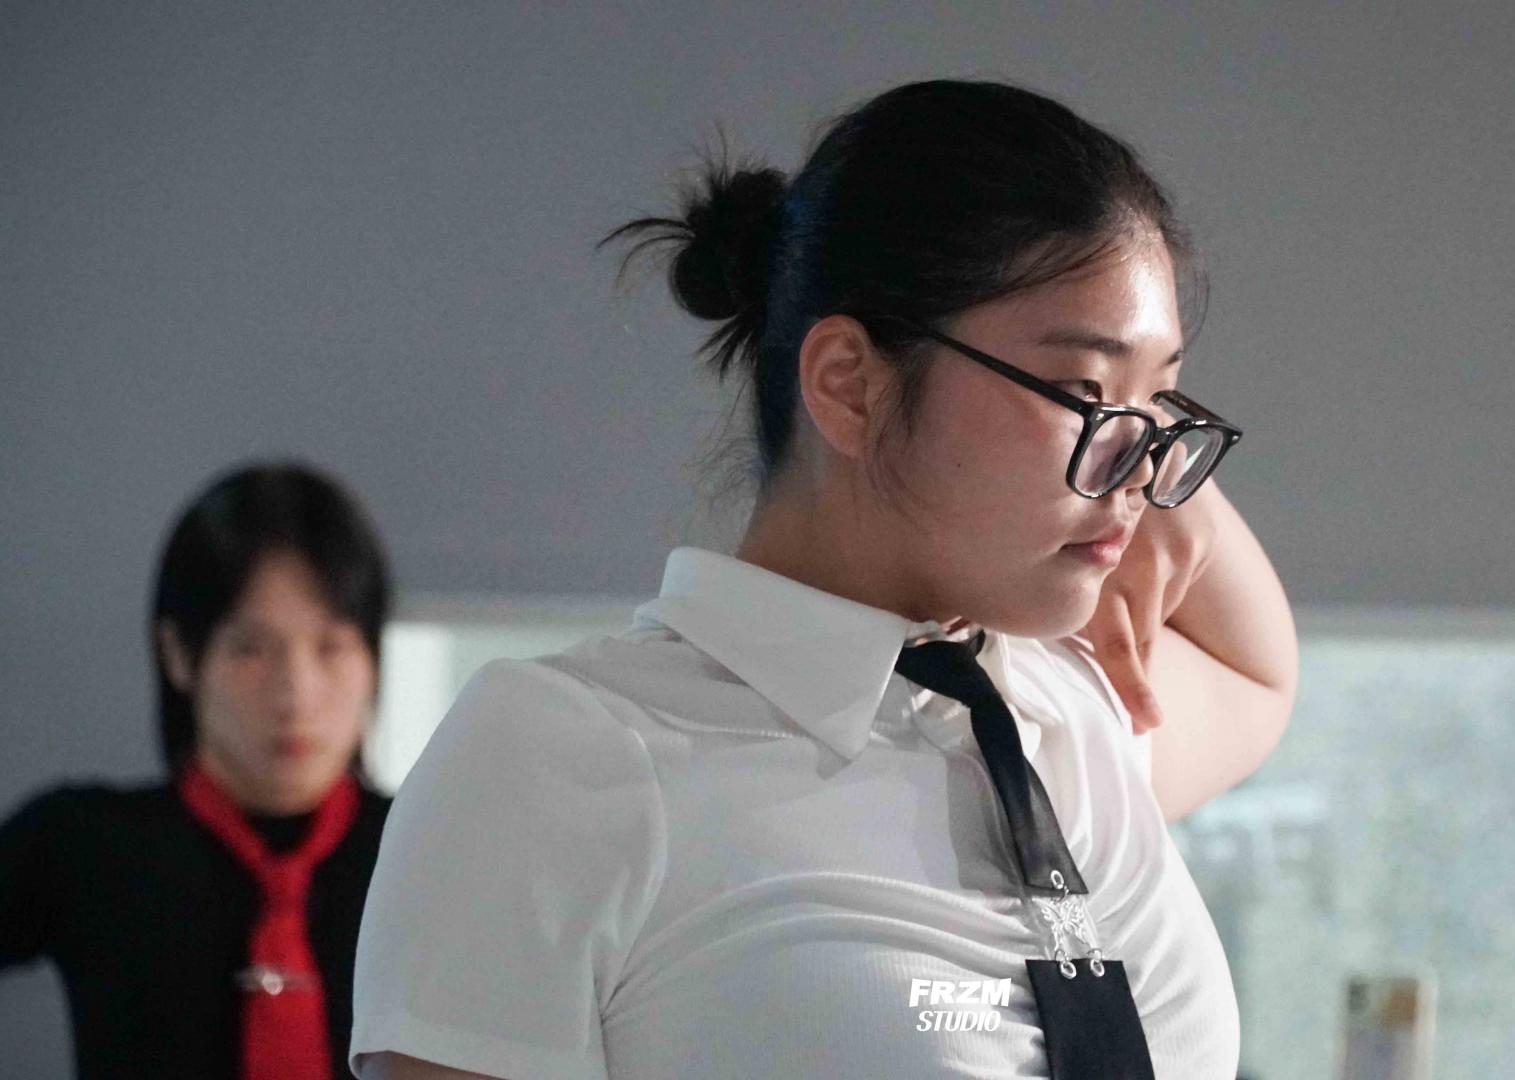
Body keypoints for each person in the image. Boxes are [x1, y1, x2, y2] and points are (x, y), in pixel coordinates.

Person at [353, 78, 1298, 1080]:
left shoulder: (1067, 710)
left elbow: (1260, 673)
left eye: (1160, 400)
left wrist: (1135, 455)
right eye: (1081, 387)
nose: (1144, 467)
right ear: (849, 383)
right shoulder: (559, 758)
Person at [0, 461, 396, 1079]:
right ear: (180, 654)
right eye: (251, 649)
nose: (296, 693)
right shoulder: (81, 844)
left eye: (331, 647)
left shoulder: (428, 854)